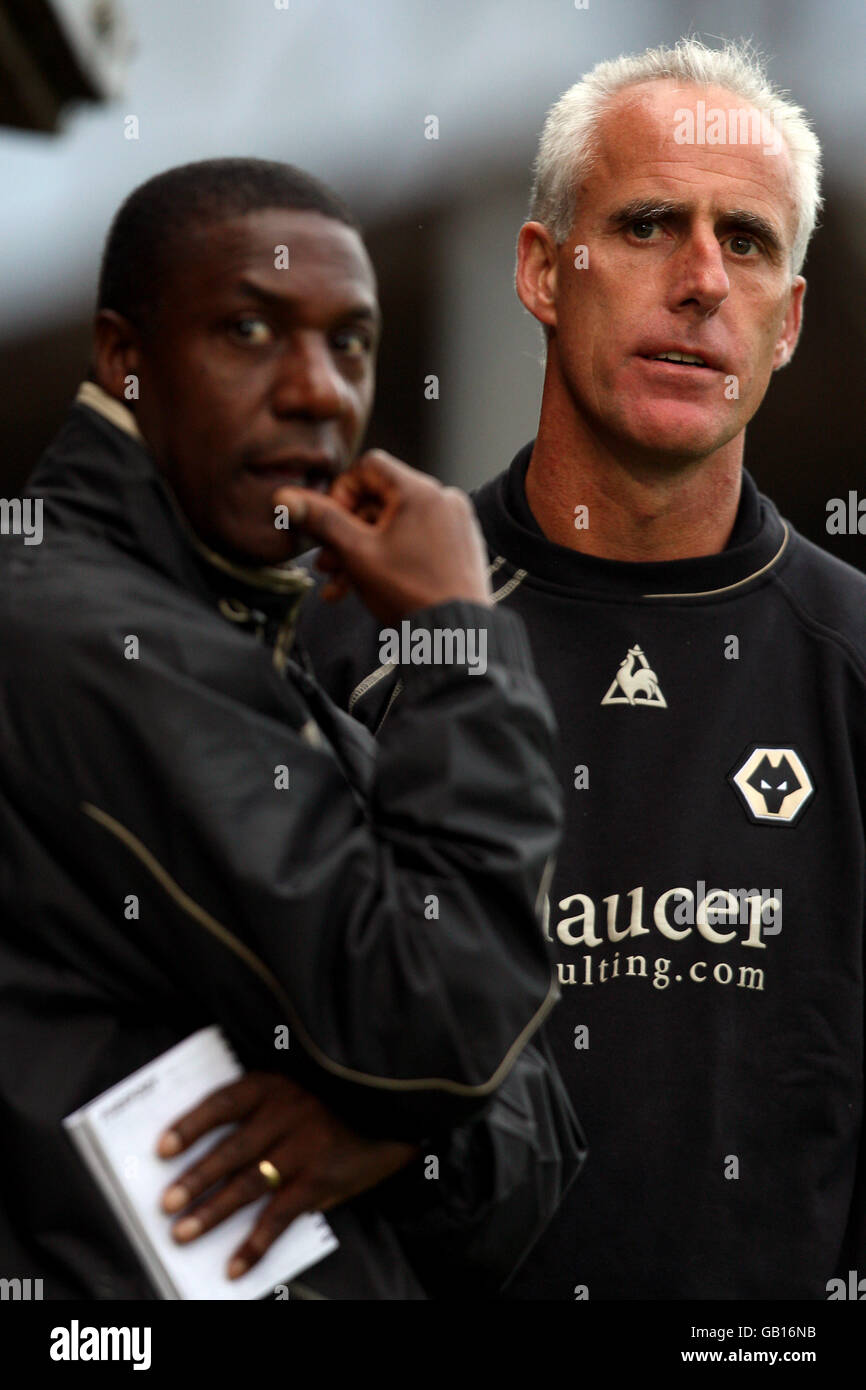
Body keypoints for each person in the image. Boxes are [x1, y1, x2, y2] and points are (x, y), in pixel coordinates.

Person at [297, 38, 866, 1300]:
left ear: (789, 320)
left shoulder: (850, 663)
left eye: (750, 242)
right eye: (651, 223)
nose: (704, 280)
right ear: (542, 269)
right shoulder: (349, 632)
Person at [0, 158, 585, 1301]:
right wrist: (461, 636)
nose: (316, 389)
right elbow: (434, 1023)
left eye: (350, 343)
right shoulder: (74, 633)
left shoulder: (272, 667)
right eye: (250, 331)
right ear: (126, 358)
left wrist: (403, 1134)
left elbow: (541, 1137)